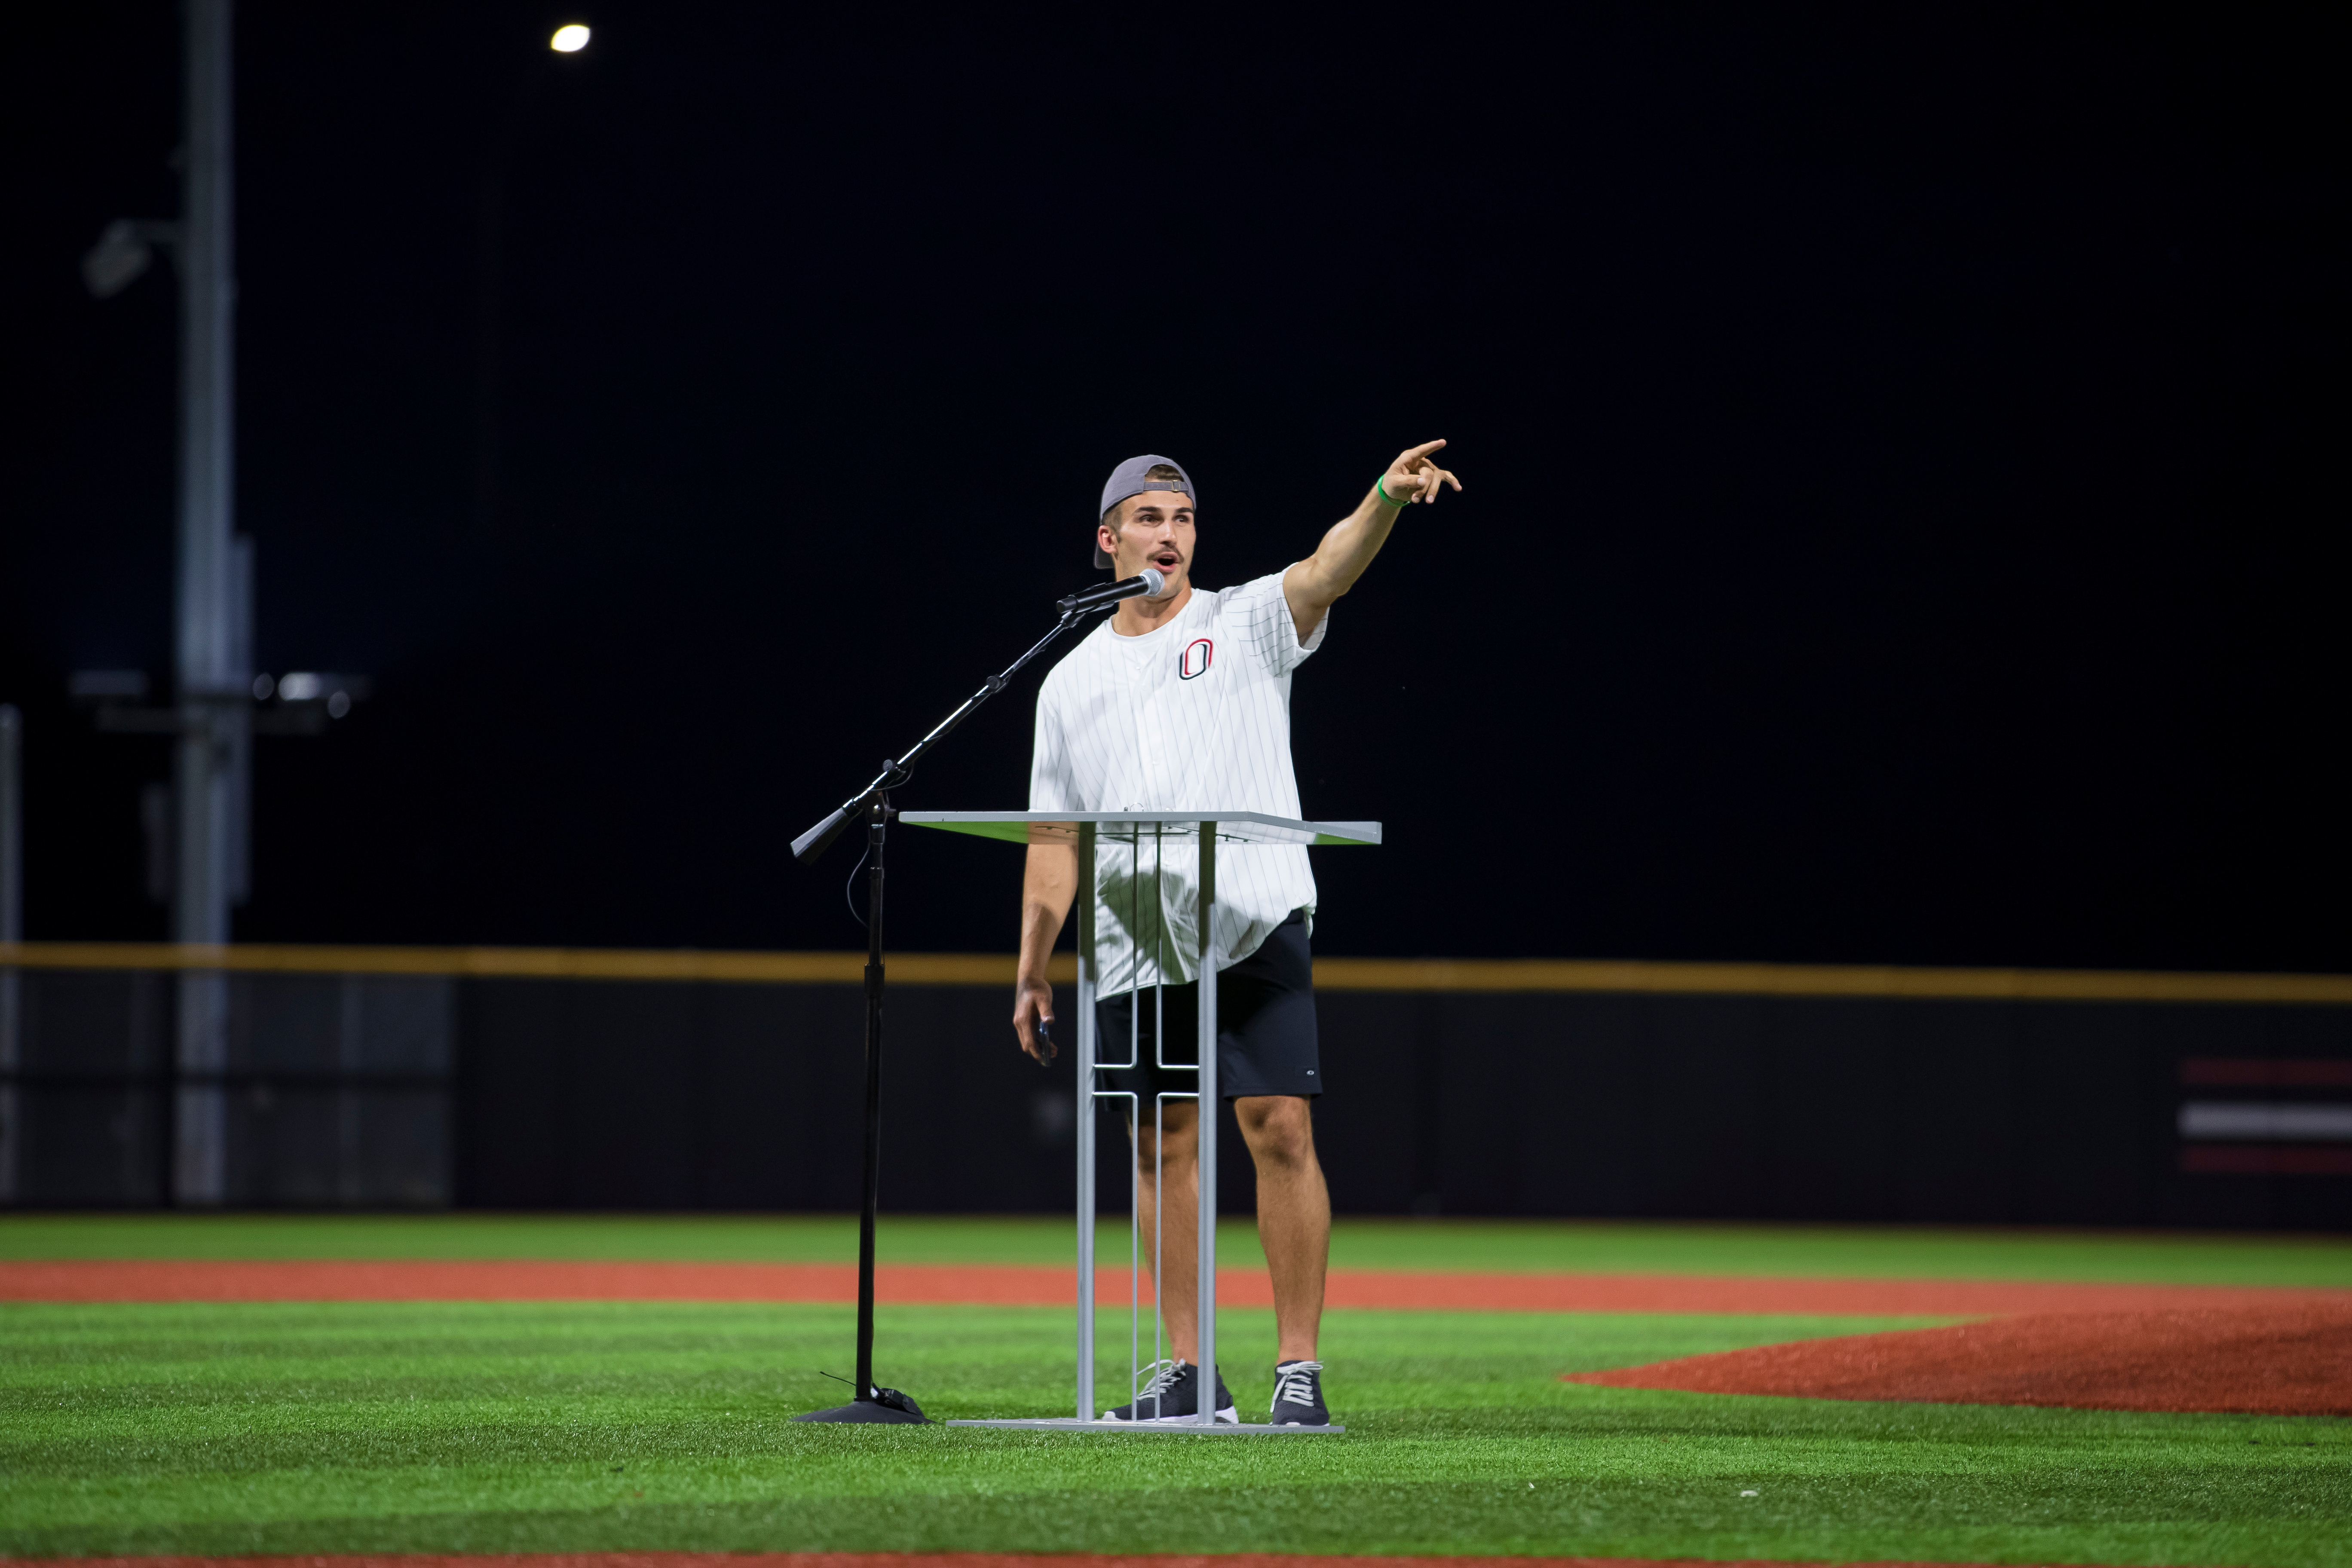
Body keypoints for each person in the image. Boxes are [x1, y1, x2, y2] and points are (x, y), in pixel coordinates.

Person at [1011, 442, 1462, 1425]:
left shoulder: (1244, 618)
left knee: (1281, 1126)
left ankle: (1296, 1369)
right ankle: (1186, 1370)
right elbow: (1053, 839)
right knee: (1157, 1142)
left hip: (1252, 911)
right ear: (1109, 539)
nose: (1168, 534)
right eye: (1148, 518)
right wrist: (1032, 969)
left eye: (1182, 519)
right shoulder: (1068, 681)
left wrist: (1383, 495)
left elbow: (1328, 568)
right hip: (1134, 933)